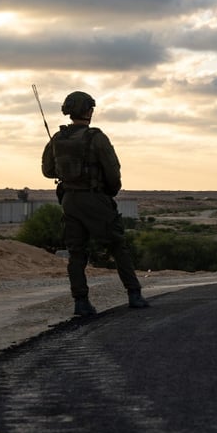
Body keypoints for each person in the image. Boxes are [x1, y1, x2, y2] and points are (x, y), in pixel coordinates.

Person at [42, 91, 148, 316]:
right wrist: (107, 193)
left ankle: (81, 302)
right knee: (117, 245)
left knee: (77, 252)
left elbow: (47, 171)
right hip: (95, 199)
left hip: (69, 201)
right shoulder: (96, 137)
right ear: (88, 111)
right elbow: (113, 172)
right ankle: (134, 295)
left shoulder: (57, 139)